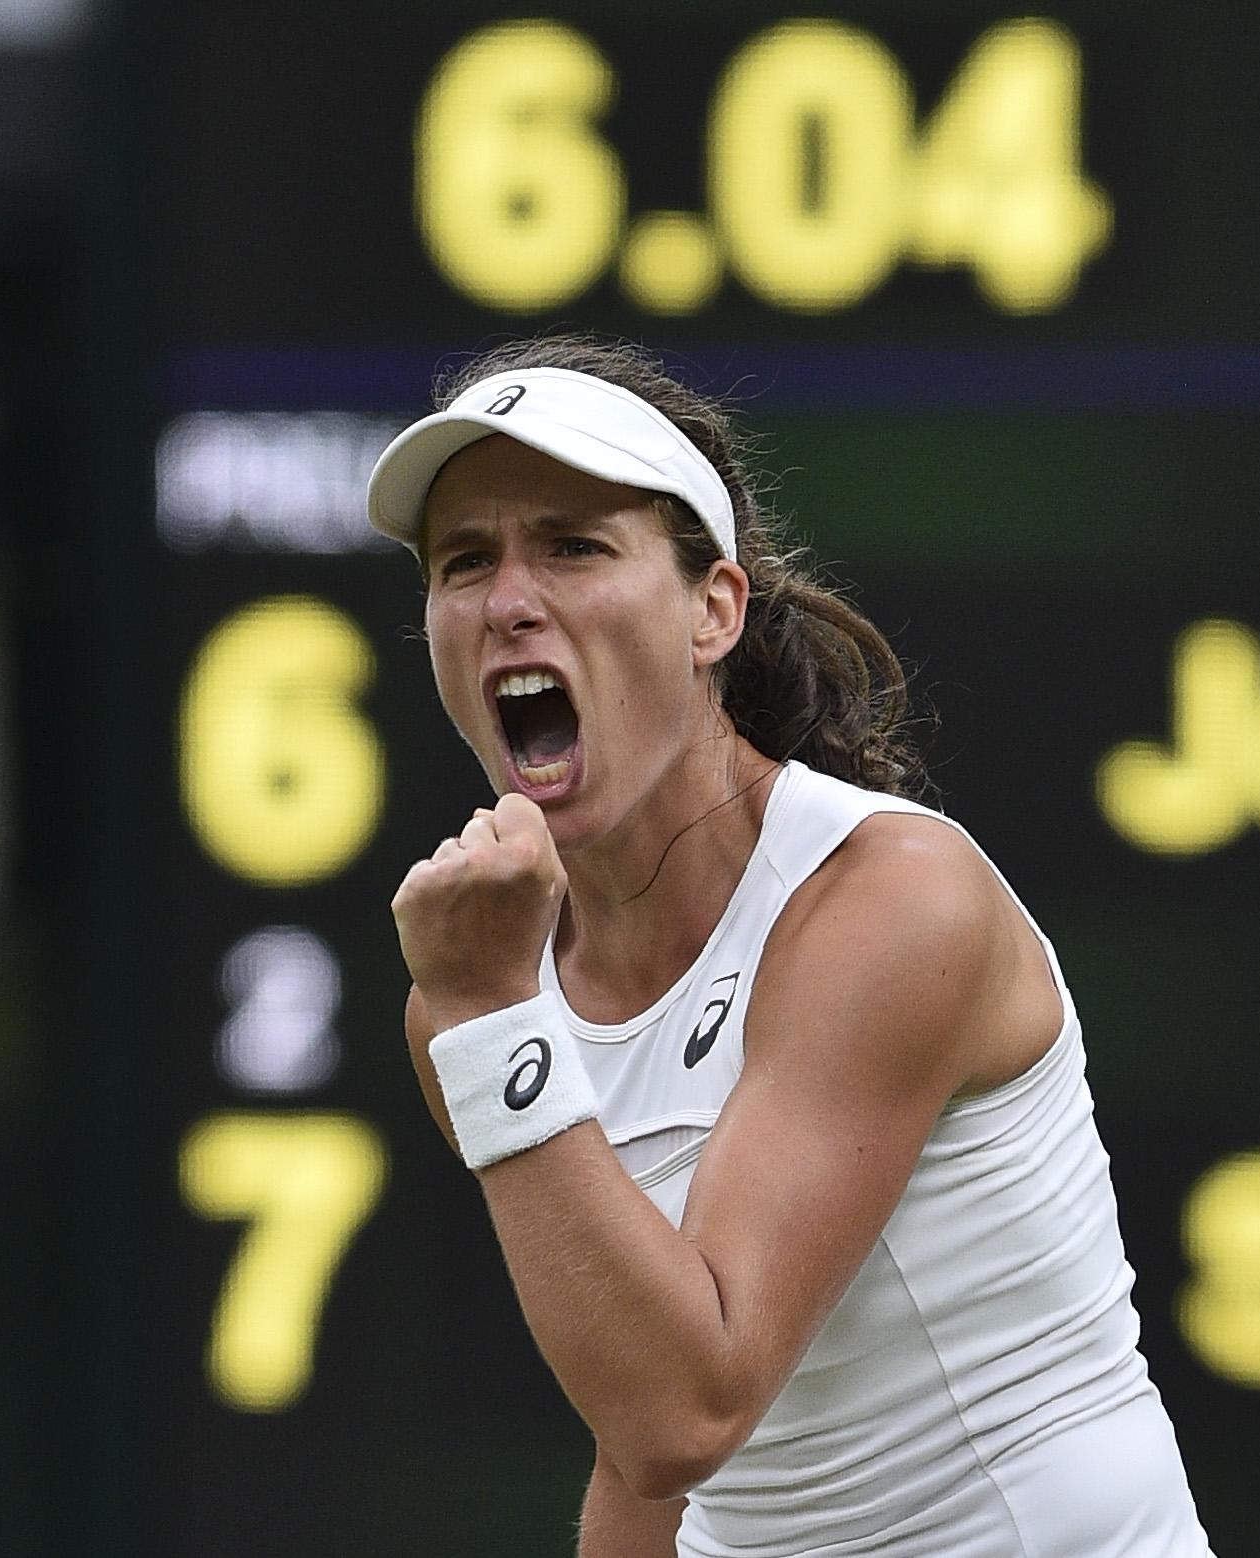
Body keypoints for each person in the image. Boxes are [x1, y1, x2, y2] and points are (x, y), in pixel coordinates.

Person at [367, 335, 1214, 1558]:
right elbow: (632, 1427)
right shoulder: (484, 993)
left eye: (572, 545)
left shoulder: (890, 898)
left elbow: (683, 1406)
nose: (508, 599)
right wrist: (493, 1013)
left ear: (713, 610)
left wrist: (497, 1020)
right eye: (464, 562)